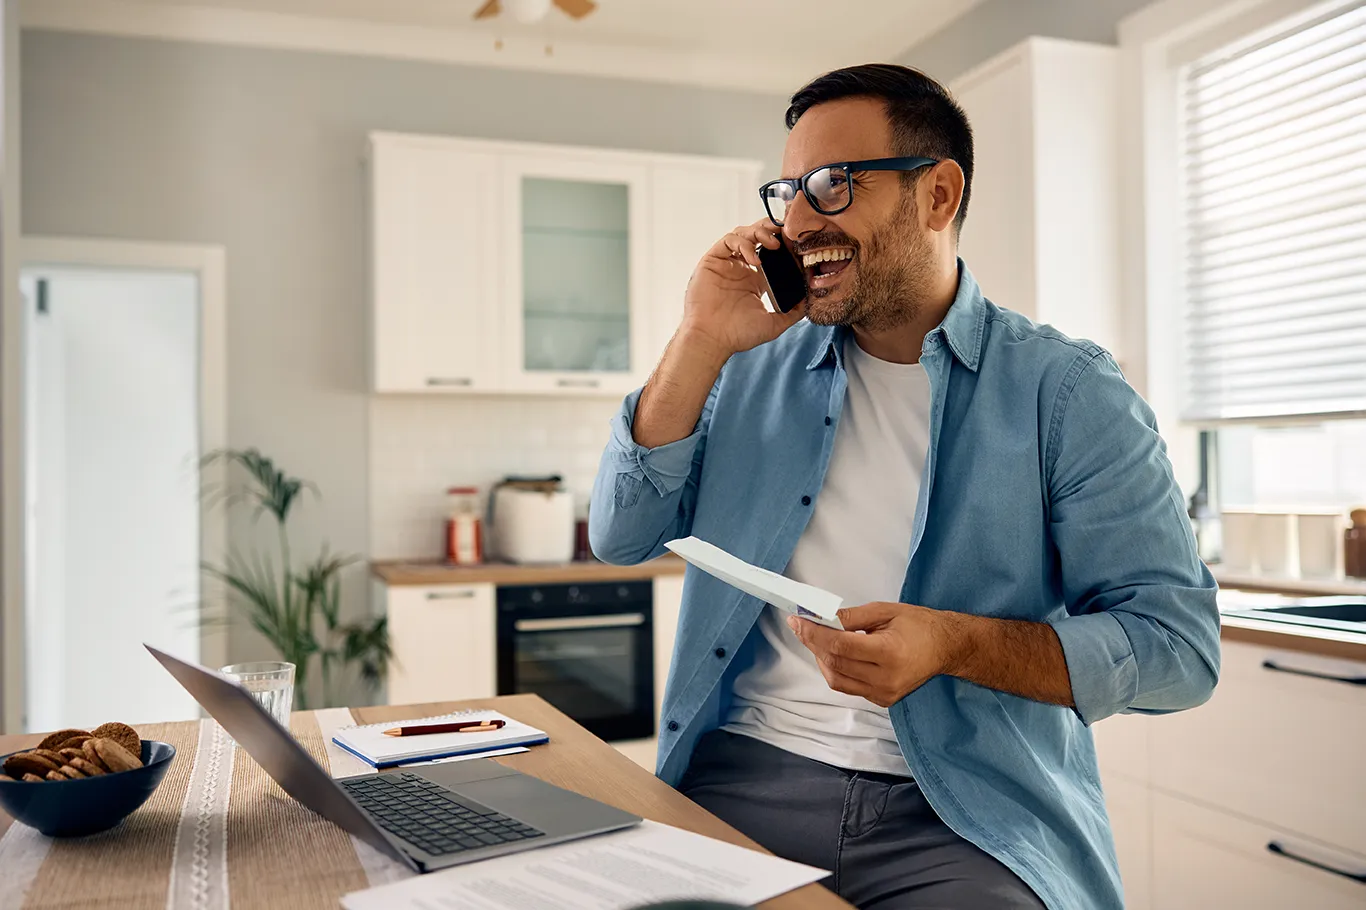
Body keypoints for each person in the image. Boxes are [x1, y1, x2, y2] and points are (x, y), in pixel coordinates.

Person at [588, 63, 1220, 910]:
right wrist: (699, 336)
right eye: (788, 192)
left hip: (970, 818)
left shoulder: (1068, 396)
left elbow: (1180, 651)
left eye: (833, 186)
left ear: (938, 195)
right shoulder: (745, 367)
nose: (799, 221)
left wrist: (953, 645)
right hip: (739, 783)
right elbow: (620, 535)